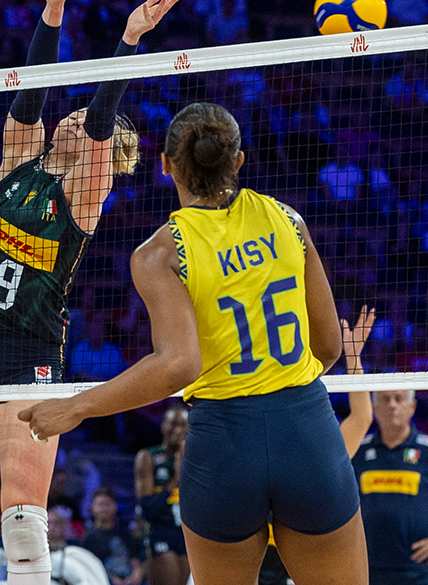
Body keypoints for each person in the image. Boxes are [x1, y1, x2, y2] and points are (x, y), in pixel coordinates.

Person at [20, 102, 369, 585]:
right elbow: (328, 346)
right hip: (306, 432)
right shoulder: (288, 221)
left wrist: (77, 407)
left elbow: (179, 364)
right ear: (238, 161)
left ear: (165, 165)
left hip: (224, 444)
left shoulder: (158, 253)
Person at [0, 0, 179, 583]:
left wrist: (126, 42)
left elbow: (99, 121)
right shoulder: (20, 165)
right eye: (65, 116)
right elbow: (26, 100)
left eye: (81, 121)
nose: (67, 119)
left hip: (28, 350)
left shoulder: (86, 193)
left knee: (20, 517)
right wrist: (51, 11)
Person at [261, 306, 376, 584]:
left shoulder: (314, 456)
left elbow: (361, 417)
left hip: (296, 570)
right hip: (254, 567)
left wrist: (354, 357)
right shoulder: (249, 449)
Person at [351, 372, 428, 580]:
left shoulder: (426, 450)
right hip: (366, 569)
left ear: (412, 407)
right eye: (385, 399)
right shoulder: (356, 450)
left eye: (399, 398)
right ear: (374, 408)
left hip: (418, 572)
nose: (392, 405)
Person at [134, 405, 189, 585]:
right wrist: (177, 477)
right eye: (173, 424)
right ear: (163, 426)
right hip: (160, 531)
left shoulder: (196, 460)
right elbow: (148, 508)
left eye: (183, 425)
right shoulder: (148, 457)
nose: (178, 430)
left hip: (187, 531)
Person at [82, 488, 143, 585]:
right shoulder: (89, 538)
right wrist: (111, 579)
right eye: (100, 504)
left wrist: (136, 575)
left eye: (107, 504)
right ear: (93, 508)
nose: (104, 508)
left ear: (115, 506)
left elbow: (135, 560)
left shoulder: (125, 533)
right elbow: (90, 567)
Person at [49, 507, 111, 585]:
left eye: (56, 523)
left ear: (63, 526)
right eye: (48, 523)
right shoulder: (38, 554)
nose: (51, 528)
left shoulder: (77, 549)